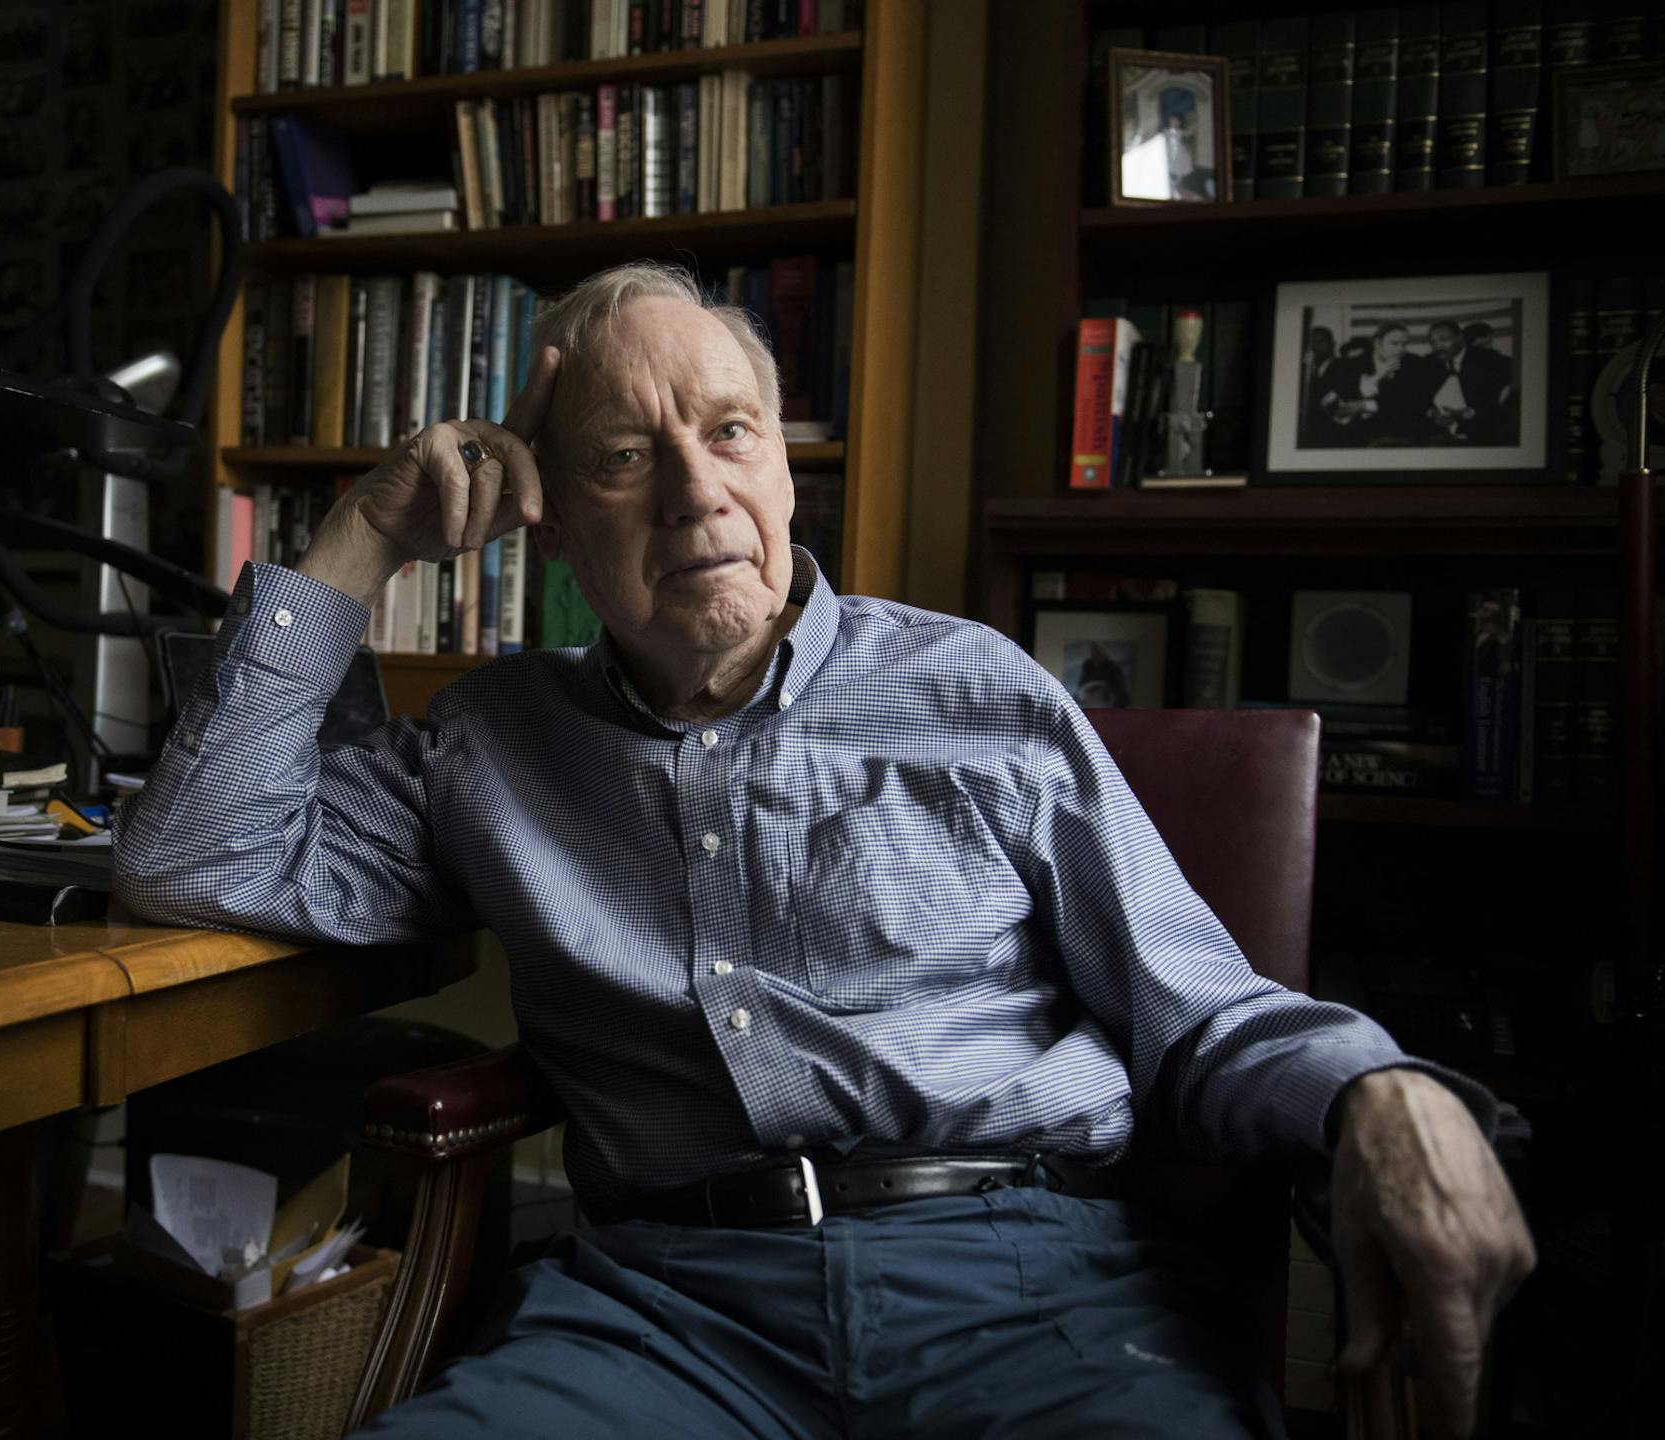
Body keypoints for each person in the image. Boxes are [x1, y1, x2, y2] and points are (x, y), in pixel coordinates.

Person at [114, 263, 1532, 1439]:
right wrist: (360, 535)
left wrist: (1384, 1092)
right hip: (668, 1316)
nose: (693, 492)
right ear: (545, 522)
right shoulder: (492, 744)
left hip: (1027, 1287)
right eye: (621, 457)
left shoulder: (979, 693)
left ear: (783, 461)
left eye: (728, 432)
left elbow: (1202, 1016)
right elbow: (195, 855)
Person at [1315, 323, 1433, 445]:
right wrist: (1378, 376)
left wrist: (1365, 406)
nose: (1400, 349)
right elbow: (1338, 405)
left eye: (1404, 344)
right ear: (1377, 344)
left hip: (1403, 436)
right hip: (1361, 437)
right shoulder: (1351, 365)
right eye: (1394, 343)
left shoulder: (1415, 364)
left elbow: (1414, 404)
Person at [1425, 320, 1515, 445]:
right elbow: (1420, 399)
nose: (1438, 346)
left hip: (1482, 436)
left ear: (1460, 338)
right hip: (1440, 438)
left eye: (1444, 339)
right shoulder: (1428, 363)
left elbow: (1498, 405)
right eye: (1433, 342)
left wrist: (1465, 414)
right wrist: (1432, 413)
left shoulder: (1490, 360)